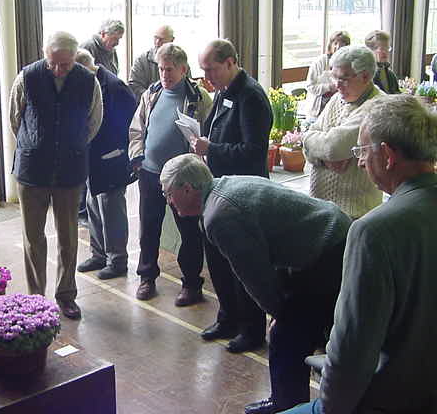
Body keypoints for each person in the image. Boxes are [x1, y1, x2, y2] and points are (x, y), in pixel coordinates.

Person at [279, 95, 437, 414]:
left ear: (388, 155)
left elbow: (353, 348)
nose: (361, 162)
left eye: (363, 151)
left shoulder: (373, 231)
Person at [160, 154, 352, 414]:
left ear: (187, 189)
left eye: (169, 194)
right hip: (327, 240)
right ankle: (290, 401)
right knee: (294, 330)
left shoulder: (220, 215)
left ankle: (288, 406)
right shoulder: (222, 187)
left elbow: (255, 276)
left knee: (286, 337)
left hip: (327, 250)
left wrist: (279, 313)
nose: (169, 201)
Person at [9, 31, 103, 320]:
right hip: (31, 169)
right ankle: (36, 296)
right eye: (53, 63)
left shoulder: (89, 81)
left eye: (65, 64)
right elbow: (16, 118)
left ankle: (66, 295)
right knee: (33, 237)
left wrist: (72, 145)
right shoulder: (27, 76)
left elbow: (94, 121)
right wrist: (35, 143)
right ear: (45, 55)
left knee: (69, 236)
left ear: (75, 58)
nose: (58, 70)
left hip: (70, 170)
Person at [189, 39, 273, 353]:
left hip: (244, 195)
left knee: (242, 265)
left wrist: (212, 149)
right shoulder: (223, 92)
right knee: (217, 260)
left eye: (211, 69)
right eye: (203, 70)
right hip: (218, 186)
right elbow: (213, 131)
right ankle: (228, 318)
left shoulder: (251, 97)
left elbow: (253, 153)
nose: (207, 77)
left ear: (230, 62)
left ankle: (252, 329)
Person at [129, 43, 212, 304]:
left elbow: (209, 135)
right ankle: (147, 277)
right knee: (148, 229)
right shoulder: (151, 93)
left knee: (189, 231)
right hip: (151, 173)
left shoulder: (199, 98)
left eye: (169, 70)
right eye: (161, 69)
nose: (164, 75)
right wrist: (138, 158)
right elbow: (137, 129)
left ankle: (191, 284)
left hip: (183, 179)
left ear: (184, 69)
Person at [75, 49, 137, 279]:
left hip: (111, 158)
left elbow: (130, 123)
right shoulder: (90, 82)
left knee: (111, 211)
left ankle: (117, 260)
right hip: (93, 158)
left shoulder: (114, 86)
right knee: (93, 206)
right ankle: (99, 254)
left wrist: (118, 151)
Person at [303, 45, 383, 219]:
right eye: (334, 77)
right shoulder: (338, 98)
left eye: (344, 79)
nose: (336, 85)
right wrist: (322, 160)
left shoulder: (377, 106)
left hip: (353, 213)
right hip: (320, 207)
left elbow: (334, 147)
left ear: (365, 76)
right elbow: (307, 138)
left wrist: (316, 147)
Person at [304, 30, 351, 119]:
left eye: (342, 44)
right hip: (317, 112)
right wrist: (329, 87)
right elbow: (310, 87)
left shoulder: (348, 64)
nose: (338, 47)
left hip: (339, 111)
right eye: (335, 43)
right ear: (330, 45)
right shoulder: (320, 62)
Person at [128, 25, 175, 102]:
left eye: (161, 39)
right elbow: (134, 87)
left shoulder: (180, 60)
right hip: (148, 106)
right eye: (156, 38)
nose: (157, 42)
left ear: (172, 40)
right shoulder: (141, 60)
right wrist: (155, 98)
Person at [365, 30, 400, 94]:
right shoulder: (366, 75)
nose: (385, 52)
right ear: (370, 50)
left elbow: (397, 93)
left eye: (387, 48)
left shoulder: (390, 74)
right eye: (382, 48)